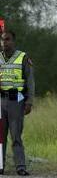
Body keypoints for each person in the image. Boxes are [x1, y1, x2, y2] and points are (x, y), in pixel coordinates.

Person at [0, 30, 34, 176]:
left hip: (17, 100)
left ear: (13, 41)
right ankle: (0, 166)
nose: (4, 43)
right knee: (0, 136)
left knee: (16, 135)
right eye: (2, 40)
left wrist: (29, 101)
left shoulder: (23, 57)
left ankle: (20, 166)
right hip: (0, 100)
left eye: (7, 40)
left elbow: (30, 80)